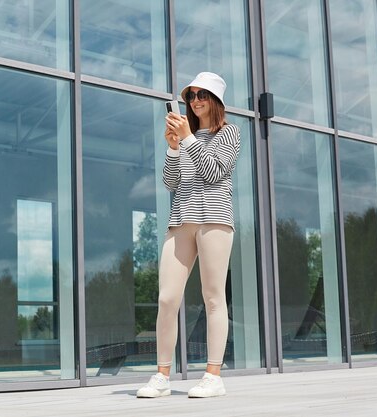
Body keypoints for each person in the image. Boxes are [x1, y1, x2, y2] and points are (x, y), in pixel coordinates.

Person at [137, 72, 240, 399]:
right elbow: (170, 183)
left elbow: (213, 172)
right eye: (191, 95)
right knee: (167, 298)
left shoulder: (229, 133)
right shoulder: (184, 138)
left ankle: (213, 375)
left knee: (213, 298)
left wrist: (189, 140)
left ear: (215, 101)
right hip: (181, 220)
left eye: (202, 95)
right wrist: (172, 148)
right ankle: (162, 376)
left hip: (214, 221)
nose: (195, 100)